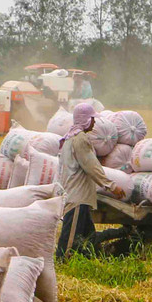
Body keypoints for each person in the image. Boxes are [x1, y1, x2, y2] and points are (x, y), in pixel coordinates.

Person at [56, 101, 117, 257]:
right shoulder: (80, 139)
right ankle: (62, 261)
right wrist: (110, 185)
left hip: (76, 193)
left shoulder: (70, 137)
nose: (94, 122)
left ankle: (95, 257)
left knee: (89, 236)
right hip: (78, 196)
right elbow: (92, 166)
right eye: (92, 119)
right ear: (86, 120)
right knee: (69, 236)